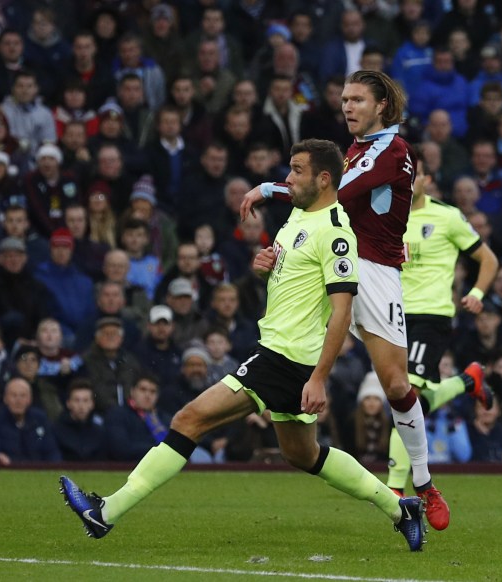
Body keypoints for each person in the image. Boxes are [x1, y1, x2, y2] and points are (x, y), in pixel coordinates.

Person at [60, 139, 426, 551]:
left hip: (285, 360)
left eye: (297, 171)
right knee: (303, 456)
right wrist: (265, 268)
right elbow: (295, 283)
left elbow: (342, 311)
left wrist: (320, 377)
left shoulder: (337, 234)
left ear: (325, 179)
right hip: (284, 355)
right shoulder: (298, 217)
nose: (288, 178)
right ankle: (401, 509)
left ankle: (105, 512)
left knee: (188, 419)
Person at [240, 70, 449, 530]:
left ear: (382, 107)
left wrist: (269, 188)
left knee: (396, 384)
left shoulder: (392, 151)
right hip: (331, 262)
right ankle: (254, 399)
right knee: (282, 336)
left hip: (374, 272)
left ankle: (424, 482)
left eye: (357, 100)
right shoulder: (355, 149)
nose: (347, 107)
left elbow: (335, 192)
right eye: (344, 100)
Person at [385, 163, 497, 493]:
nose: (407, 182)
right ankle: (467, 381)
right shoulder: (386, 216)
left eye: (413, 175)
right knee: (411, 401)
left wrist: (476, 293)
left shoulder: (447, 217)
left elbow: (488, 260)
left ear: (427, 180)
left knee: (405, 398)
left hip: (432, 316)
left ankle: (395, 489)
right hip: (392, 317)